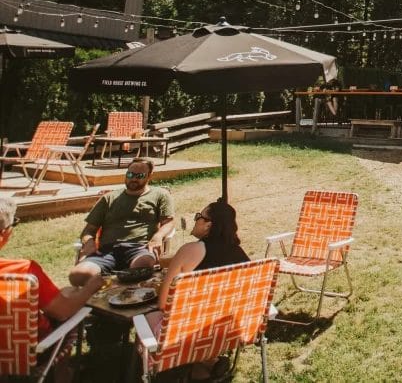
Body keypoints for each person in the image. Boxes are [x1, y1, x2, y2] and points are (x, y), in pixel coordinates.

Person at [0, 198, 104, 382]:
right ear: (6, 233)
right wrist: (90, 288)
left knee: (66, 293)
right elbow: (63, 311)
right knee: (70, 318)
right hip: (26, 352)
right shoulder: (24, 272)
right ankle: (61, 376)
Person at [144, 199, 250, 381]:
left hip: (191, 333)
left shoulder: (190, 250)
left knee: (146, 318)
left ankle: (157, 372)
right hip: (230, 330)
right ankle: (206, 365)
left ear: (209, 225)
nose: (195, 220)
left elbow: (163, 303)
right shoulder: (241, 255)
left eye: (199, 217)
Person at [68, 158, 175, 287]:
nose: (133, 179)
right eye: (130, 174)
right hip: (107, 252)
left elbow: (169, 222)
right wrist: (89, 242)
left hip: (140, 248)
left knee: (140, 268)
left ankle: (116, 288)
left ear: (149, 176)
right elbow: (89, 229)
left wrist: (158, 236)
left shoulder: (160, 195)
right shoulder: (109, 198)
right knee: (78, 276)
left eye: (139, 176)